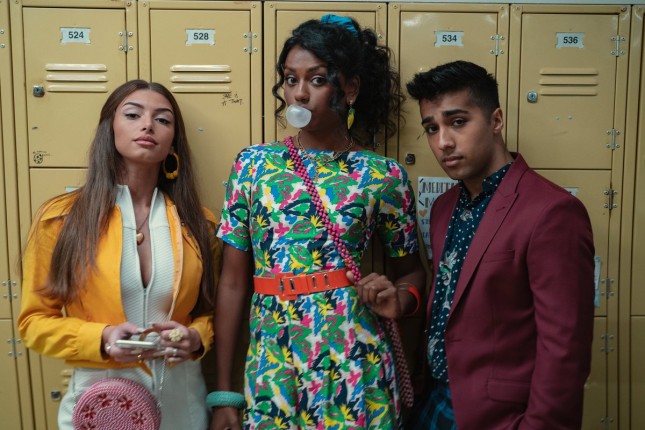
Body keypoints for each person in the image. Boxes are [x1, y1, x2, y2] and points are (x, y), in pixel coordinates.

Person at [209, 15, 426, 430]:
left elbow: (413, 273)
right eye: (291, 79)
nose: (300, 93)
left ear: (350, 89)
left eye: (317, 79)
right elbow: (233, 283)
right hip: (274, 359)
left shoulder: (383, 175)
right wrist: (224, 395)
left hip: (354, 356)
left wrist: (400, 299)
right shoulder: (253, 165)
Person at [18, 80, 221, 430]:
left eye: (163, 119)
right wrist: (101, 338)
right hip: (100, 408)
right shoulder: (61, 219)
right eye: (132, 115)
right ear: (108, 129)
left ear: (173, 142)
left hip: (182, 406)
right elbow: (33, 322)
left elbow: (212, 312)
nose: (148, 125)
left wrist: (196, 338)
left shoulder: (199, 224)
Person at [405, 60, 595, 430]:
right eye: (432, 128)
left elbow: (565, 349)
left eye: (458, 122)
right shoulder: (443, 208)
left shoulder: (552, 212)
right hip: (432, 401)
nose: (443, 142)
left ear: (496, 121)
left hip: (497, 416)